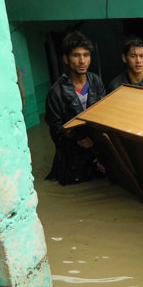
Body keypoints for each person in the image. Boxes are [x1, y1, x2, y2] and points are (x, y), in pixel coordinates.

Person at [45, 31, 106, 185]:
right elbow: (55, 130)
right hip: (72, 162)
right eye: (76, 55)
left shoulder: (96, 81)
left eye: (86, 55)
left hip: (97, 155)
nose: (82, 61)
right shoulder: (56, 92)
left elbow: (104, 116)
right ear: (66, 59)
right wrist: (77, 139)